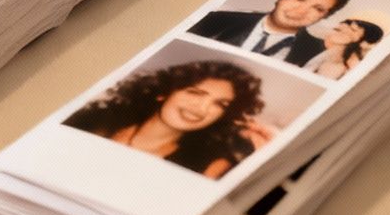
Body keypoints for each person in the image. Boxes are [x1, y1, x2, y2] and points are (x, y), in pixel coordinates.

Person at [62, 59, 272, 179]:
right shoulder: (93, 118)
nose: (202, 109)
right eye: (195, 93)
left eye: (220, 104)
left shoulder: (210, 165)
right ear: (164, 92)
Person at [187, 0, 350, 67]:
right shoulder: (216, 19)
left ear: (324, 17)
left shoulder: (316, 51)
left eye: (318, 9)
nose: (301, 11)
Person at [301, 15, 389, 81]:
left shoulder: (340, 64)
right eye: (347, 25)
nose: (345, 29)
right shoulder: (326, 53)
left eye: (353, 30)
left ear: (364, 42)